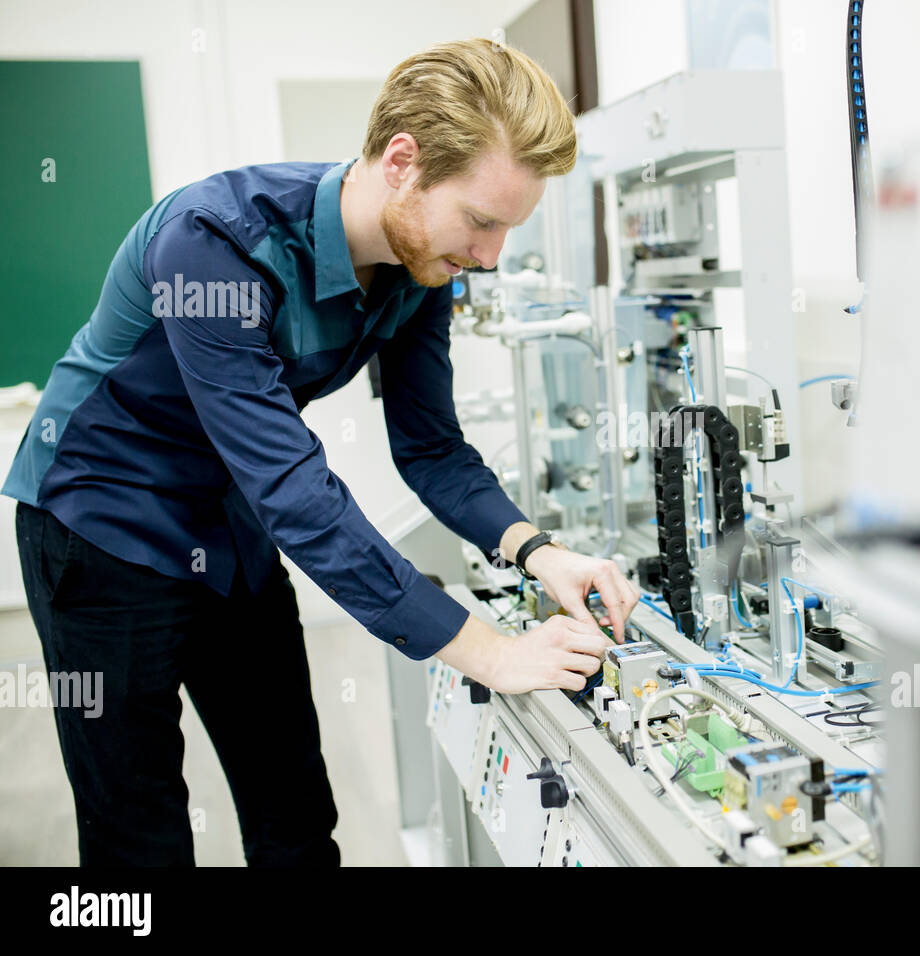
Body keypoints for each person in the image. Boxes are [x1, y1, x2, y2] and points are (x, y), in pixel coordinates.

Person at [4, 38, 638, 867]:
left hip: (227, 528)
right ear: (403, 161)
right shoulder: (215, 242)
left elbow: (433, 448)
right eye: (482, 221)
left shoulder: (422, 269)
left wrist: (537, 550)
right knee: (138, 834)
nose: (489, 257)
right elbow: (295, 490)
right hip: (101, 523)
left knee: (296, 811)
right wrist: (490, 651)